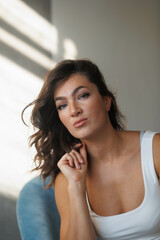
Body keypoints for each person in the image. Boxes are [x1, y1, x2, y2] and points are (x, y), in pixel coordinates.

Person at [22, 59, 160, 240]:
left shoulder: (154, 150)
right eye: (62, 105)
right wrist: (77, 187)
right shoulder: (67, 180)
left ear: (106, 102)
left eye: (82, 96)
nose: (73, 110)